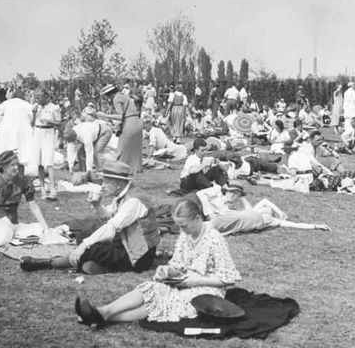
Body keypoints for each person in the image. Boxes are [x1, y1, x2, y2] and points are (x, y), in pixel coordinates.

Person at [74, 199, 240, 327]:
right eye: (179, 226)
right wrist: (166, 270)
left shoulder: (214, 238)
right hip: (184, 281)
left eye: (184, 226)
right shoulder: (186, 235)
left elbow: (227, 279)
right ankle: (104, 311)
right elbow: (177, 264)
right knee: (152, 287)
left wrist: (195, 281)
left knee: (165, 301)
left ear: (198, 218)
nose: (182, 231)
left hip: (207, 289)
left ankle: (101, 316)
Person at [20, 160, 160, 275]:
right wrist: (97, 205)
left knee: (90, 247)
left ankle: (47, 263)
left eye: (106, 182)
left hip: (139, 255)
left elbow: (111, 227)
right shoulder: (124, 194)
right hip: (125, 243)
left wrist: (84, 246)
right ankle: (98, 266)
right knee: (85, 237)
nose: (103, 186)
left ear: (118, 184)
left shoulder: (134, 201)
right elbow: (109, 216)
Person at [194, 184, 331, 236]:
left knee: (211, 227)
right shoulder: (255, 211)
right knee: (212, 225)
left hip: (236, 221)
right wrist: (279, 211)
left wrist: (315, 226)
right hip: (234, 218)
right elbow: (265, 201)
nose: (265, 208)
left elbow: (294, 225)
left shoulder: (271, 220)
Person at [97, 84, 143, 173]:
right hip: (138, 121)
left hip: (129, 122)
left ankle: (122, 169)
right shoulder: (125, 96)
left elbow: (120, 116)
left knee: (122, 149)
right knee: (135, 149)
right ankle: (135, 169)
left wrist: (104, 115)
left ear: (109, 94)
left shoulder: (116, 98)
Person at [0, 88, 34, 166]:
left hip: (7, 129)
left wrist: (1, 123)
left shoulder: (7, 103)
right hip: (22, 130)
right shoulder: (26, 104)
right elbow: (32, 116)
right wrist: (27, 123)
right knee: (22, 151)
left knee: (5, 148)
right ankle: (21, 170)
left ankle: (4, 168)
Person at [32, 90, 61, 200]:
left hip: (48, 133)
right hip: (37, 132)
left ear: (46, 97)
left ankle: (53, 188)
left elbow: (59, 122)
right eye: (37, 97)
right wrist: (34, 113)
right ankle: (43, 188)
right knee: (38, 162)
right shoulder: (36, 107)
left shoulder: (54, 107)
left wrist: (50, 122)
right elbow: (31, 123)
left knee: (48, 161)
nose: (37, 99)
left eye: (39, 97)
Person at [66, 107, 113, 173]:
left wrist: (89, 170)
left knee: (96, 152)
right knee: (84, 152)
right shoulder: (72, 133)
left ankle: (102, 172)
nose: (74, 143)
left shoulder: (85, 135)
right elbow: (70, 151)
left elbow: (89, 152)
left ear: (76, 138)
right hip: (94, 133)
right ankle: (97, 170)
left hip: (105, 132)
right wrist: (70, 167)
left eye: (74, 142)